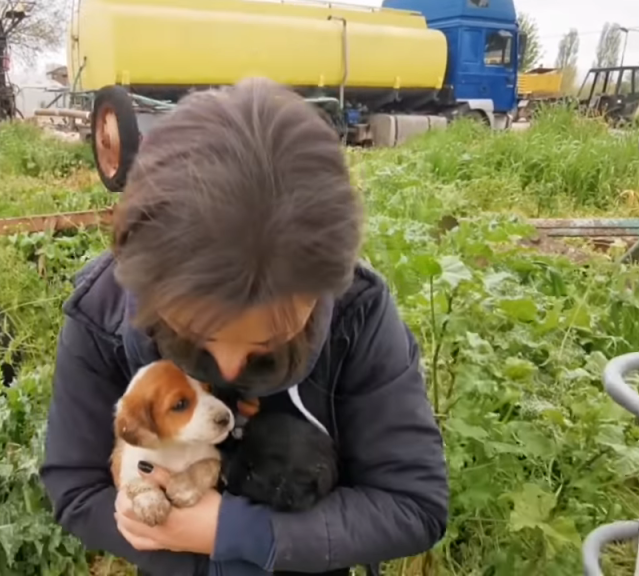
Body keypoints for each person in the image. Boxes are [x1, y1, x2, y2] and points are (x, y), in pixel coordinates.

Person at [39, 77, 449, 576]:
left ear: (324, 292)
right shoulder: (101, 312)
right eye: (194, 334)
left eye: (270, 343)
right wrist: (176, 542)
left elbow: (413, 505)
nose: (229, 368)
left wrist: (234, 534)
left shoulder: (357, 313)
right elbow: (75, 487)